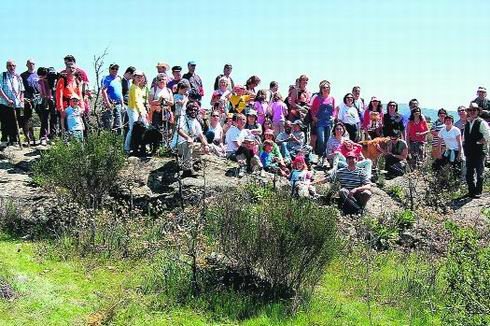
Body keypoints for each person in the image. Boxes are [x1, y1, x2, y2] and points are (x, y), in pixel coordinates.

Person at [171, 101, 210, 178]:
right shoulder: (182, 118)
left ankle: (193, 162)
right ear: (187, 110)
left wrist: (206, 145)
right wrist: (188, 137)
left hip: (188, 145)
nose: (193, 111)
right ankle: (187, 170)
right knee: (188, 144)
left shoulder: (196, 122)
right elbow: (179, 130)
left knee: (208, 147)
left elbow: (201, 136)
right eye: (191, 110)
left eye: (195, 110)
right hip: (177, 145)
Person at [463, 103, 490, 198]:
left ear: (478, 111)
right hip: (469, 152)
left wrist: (479, 142)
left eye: (474, 110)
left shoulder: (481, 122)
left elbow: (488, 135)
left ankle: (478, 191)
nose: (472, 112)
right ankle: (471, 191)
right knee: (469, 173)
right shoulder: (467, 123)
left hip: (479, 152)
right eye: (470, 110)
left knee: (480, 173)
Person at [0, 60, 24, 146]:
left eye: (13, 65)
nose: (12, 67)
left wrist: (21, 100)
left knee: (14, 122)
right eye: (10, 66)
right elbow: (0, 89)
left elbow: (22, 90)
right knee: (5, 122)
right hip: (4, 103)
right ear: (7, 67)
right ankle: (4, 140)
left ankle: (14, 140)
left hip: (16, 104)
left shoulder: (18, 77)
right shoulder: (3, 75)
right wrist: (7, 100)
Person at [55, 63, 84, 133]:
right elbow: (59, 95)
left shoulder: (77, 80)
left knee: (78, 126)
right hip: (66, 106)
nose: (71, 69)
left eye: (73, 68)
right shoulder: (62, 80)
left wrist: (82, 108)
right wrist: (61, 109)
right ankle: (66, 142)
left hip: (75, 107)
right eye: (69, 67)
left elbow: (80, 95)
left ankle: (79, 142)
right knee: (65, 127)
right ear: (66, 69)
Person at [124, 70, 148, 153]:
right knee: (132, 129)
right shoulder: (133, 87)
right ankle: (127, 148)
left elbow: (140, 102)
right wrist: (140, 112)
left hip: (138, 110)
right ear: (133, 77)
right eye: (137, 76)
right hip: (133, 110)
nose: (139, 78)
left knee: (142, 128)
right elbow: (136, 101)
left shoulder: (138, 88)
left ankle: (140, 146)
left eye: (141, 77)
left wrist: (143, 111)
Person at [310, 80, 336, 154]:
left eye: (327, 87)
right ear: (321, 89)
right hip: (320, 121)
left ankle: (325, 156)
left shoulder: (332, 98)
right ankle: (320, 154)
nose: (325, 89)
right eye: (324, 87)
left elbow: (334, 110)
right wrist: (314, 117)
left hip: (328, 122)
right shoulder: (317, 98)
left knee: (327, 140)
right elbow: (312, 109)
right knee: (321, 139)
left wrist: (333, 117)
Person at [101, 63, 124, 134]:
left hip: (118, 104)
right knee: (109, 123)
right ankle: (108, 140)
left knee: (118, 123)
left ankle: (117, 140)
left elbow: (120, 93)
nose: (115, 70)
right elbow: (103, 91)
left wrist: (122, 104)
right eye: (113, 68)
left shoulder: (119, 79)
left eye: (116, 69)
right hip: (110, 103)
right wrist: (108, 103)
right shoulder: (106, 79)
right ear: (109, 69)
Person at [36, 67, 57, 145]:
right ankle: (43, 137)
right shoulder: (40, 82)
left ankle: (53, 136)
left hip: (53, 100)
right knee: (44, 119)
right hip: (44, 101)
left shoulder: (53, 79)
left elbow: (55, 89)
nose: (42, 78)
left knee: (54, 118)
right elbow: (40, 92)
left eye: (43, 76)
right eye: (40, 76)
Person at [20, 59, 37, 145]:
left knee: (43, 117)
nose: (31, 65)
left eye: (33, 63)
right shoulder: (22, 75)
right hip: (27, 99)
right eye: (29, 63)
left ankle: (43, 137)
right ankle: (29, 138)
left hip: (38, 99)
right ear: (26, 65)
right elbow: (20, 88)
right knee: (27, 118)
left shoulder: (38, 74)